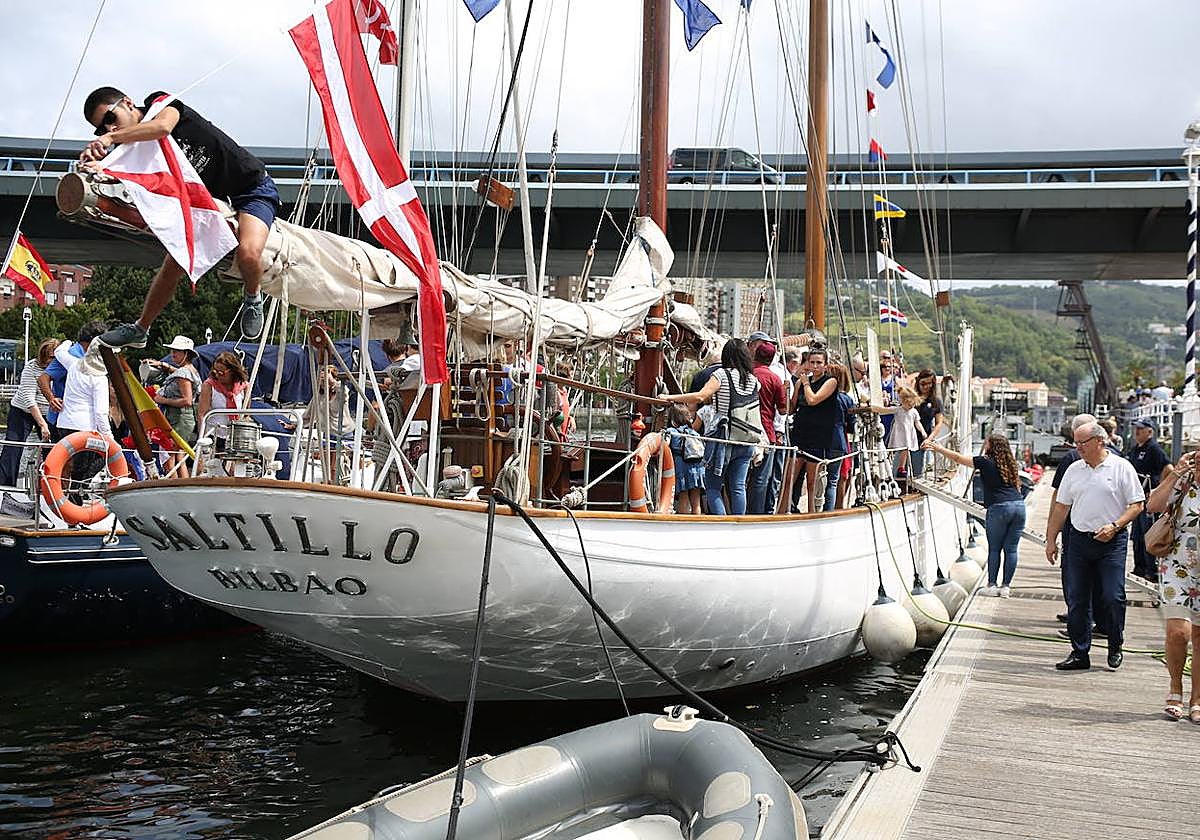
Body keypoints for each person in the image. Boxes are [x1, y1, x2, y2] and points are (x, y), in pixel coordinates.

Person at [79, 87, 281, 346]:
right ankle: (141, 328)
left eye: (110, 118)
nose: (110, 128)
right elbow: (130, 178)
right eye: (102, 129)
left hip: (251, 188)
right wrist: (98, 166)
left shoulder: (160, 103)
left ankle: (252, 297)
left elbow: (162, 127)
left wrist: (109, 139)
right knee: (173, 263)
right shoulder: (134, 151)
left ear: (128, 103)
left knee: (249, 253)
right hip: (211, 203)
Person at [1045, 421, 1145, 671]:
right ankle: (1080, 652)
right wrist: (1051, 539)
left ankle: (1115, 644)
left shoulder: (1121, 467)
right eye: (1075, 443)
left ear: (1100, 441)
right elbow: (1061, 507)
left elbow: (1137, 505)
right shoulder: (1074, 470)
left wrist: (1115, 525)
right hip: (1079, 541)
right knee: (1077, 599)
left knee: (1112, 596)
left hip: (1112, 542)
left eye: (1082, 443)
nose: (1078, 447)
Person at [665, 339, 760, 516]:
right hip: (746, 439)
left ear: (726, 356)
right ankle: (739, 524)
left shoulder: (721, 375)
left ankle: (722, 524)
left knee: (713, 486)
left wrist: (670, 398)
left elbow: (701, 397)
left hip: (722, 438)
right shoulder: (753, 380)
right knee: (738, 486)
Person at [926, 434, 1026, 597]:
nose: (985, 444)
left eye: (987, 442)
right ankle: (1006, 587)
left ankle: (992, 585)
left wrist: (939, 448)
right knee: (1011, 549)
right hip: (1019, 507)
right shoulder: (1011, 463)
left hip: (999, 508)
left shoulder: (985, 461)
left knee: (995, 549)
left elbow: (958, 458)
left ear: (991, 446)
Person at [1144, 450, 1200, 722]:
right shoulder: (1183, 480)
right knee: (1179, 632)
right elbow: (1152, 506)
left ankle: (1197, 698)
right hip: (1178, 564)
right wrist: (1176, 472)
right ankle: (1175, 687)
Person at [784, 347, 839, 513]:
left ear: (825, 365)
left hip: (818, 436)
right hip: (800, 433)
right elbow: (791, 409)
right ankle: (782, 510)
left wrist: (806, 383)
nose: (815, 366)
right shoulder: (800, 383)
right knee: (789, 478)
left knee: (812, 482)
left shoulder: (830, 382)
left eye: (819, 363)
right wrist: (787, 392)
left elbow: (813, 400)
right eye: (812, 362)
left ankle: (812, 512)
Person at [0, 338, 57, 486]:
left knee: (52, 449)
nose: (48, 361)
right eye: (45, 358)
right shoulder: (31, 367)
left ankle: (50, 485)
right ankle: (5, 485)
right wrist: (42, 425)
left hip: (47, 412)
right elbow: (28, 398)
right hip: (22, 410)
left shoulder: (61, 368)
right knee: (13, 445)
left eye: (51, 357)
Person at [38, 321, 108, 439]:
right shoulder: (73, 354)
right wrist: (51, 399)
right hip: (63, 417)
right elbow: (43, 378)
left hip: (73, 421)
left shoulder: (84, 357)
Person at [1126, 418, 1173, 581]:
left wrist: (1158, 490)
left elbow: (1169, 468)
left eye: (1140, 429)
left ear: (1150, 431)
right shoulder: (1135, 449)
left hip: (1148, 500)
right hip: (1136, 498)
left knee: (1148, 534)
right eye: (1135, 428)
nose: (1137, 431)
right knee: (1137, 535)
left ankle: (1151, 570)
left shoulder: (1154, 449)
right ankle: (1139, 568)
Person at [150, 335, 201, 478]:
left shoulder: (184, 373)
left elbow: (187, 400)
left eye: (177, 351)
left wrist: (162, 400)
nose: (173, 354)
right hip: (183, 418)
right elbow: (181, 376)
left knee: (169, 456)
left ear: (186, 354)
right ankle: (183, 484)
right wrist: (164, 365)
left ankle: (173, 484)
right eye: (173, 350)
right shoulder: (190, 370)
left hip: (178, 418)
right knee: (178, 454)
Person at [746, 339, 788, 515]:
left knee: (739, 478)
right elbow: (783, 409)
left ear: (755, 355)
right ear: (771, 360)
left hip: (742, 430)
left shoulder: (746, 374)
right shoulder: (775, 379)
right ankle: (756, 515)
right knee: (761, 479)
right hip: (766, 431)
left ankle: (738, 512)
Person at [197, 352, 249, 449]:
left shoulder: (244, 386)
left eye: (221, 373)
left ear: (232, 371)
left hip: (235, 437)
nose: (217, 375)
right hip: (213, 436)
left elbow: (246, 415)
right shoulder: (208, 386)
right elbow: (201, 415)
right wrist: (203, 442)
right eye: (215, 372)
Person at [666, 405, 705, 515]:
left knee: (683, 497)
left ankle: (683, 521)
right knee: (696, 502)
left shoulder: (671, 431)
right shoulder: (694, 432)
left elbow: (665, 444)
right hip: (698, 467)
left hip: (682, 467)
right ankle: (697, 521)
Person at [911, 370, 944, 477]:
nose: (926, 386)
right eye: (923, 383)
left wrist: (929, 439)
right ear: (918, 382)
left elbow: (939, 423)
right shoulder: (911, 398)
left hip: (922, 441)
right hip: (906, 439)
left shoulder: (936, 402)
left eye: (929, 383)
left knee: (917, 473)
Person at [886, 386, 923, 481]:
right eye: (909, 404)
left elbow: (917, 422)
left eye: (913, 404)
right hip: (899, 433)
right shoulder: (898, 410)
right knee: (898, 449)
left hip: (908, 433)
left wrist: (922, 431)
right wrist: (876, 408)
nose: (911, 406)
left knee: (906, 449)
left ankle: (901, 467)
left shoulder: (913, 411)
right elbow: (885, 411)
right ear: (903, 401)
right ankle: (892, 465)